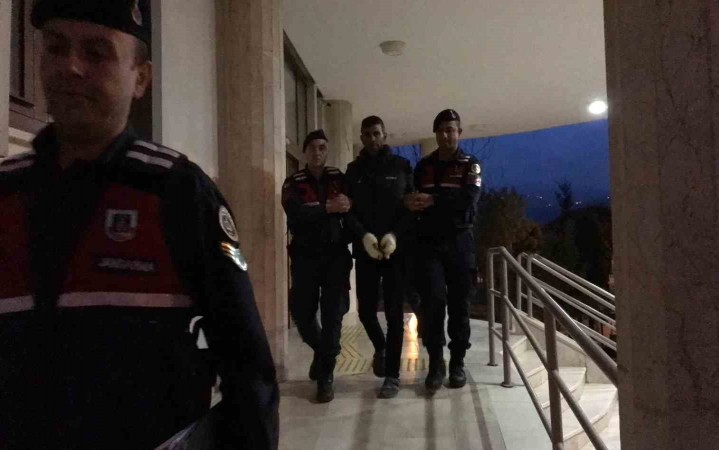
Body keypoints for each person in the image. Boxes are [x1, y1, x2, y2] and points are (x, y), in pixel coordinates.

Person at [0, 1, 279, 448]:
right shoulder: (7, 192)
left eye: (96, 52)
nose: (71, 66)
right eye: (55, 47)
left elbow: (246, 367)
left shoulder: (176, 192)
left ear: (141, 79)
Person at [406, 109, 482, 394]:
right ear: (435, 134)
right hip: (429, 245)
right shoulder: (423, 166)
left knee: (460, 306)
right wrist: (412, 202)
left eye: (452, 130)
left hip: (460, 243)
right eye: (442, 130)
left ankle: (457, 363)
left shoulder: (470, 165)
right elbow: (414, 198)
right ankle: (436, 364)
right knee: (433, 304)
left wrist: (433, 201)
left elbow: (468, 199)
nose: (447, 135)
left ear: (459, 133)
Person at [281, 129, 354, 403]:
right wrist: (327, 208)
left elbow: (352, 207)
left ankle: (326, 378)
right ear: (304, 152)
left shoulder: (339, 179)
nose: (317, 152)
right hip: (305, 258)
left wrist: (349, 203)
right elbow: (295, 214)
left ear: (327, 150)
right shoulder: (293, 182)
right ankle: (323, 352)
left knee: (333, 315)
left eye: (322, 147)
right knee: (301, 313)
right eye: (312, 147)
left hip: (335, 257)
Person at [345, 116, 414, 398]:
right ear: (361, 138)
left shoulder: (401, 166)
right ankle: (381, 347)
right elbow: (347, 211)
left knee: (395, 315)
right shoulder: (353, 170)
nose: (372, 139)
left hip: (395, 251)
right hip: (366, 251)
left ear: (385, 135)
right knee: (365, 312)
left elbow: (410, 208)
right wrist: (362, 235)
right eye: (367, 135)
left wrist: (395, 235)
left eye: (376, 133)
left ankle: (392, 376)